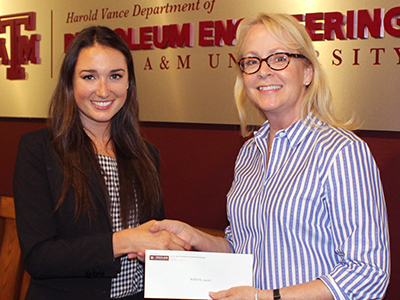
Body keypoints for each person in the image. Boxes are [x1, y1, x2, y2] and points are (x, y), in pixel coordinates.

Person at [148, 13, 390, 300]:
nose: (263, 71)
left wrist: (266, 297)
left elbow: (369, 274)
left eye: (278, 58)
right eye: (252, 61)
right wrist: (195, 237)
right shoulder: (250, 152)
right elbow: (245, 248)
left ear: (308, 72)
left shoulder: (341, 152)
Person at [13, 26, 190, 300]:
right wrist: (123, 241)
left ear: (129, 82)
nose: (104, 90)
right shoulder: (39, 149)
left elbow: (153, 244)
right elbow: (39, 257)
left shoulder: (146, 154)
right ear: (70, 82)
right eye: (89, 76)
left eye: (115, 76)